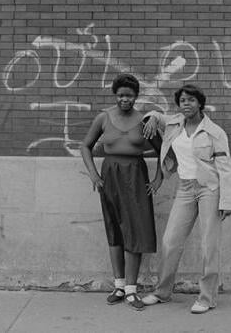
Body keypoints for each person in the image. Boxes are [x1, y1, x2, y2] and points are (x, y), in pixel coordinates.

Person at [139, 84, 231, 314]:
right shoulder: (175, 123)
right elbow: (156, 115)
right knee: (170, 240)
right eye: (183, 100)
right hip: (184, 188)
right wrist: (151, 117)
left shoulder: (214, 132)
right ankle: (162, 292)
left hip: (208, 189)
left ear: (200, 103)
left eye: (191, 100)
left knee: (208, 245)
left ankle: (207, 297)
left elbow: (225, 167)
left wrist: (227, 201)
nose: (186, 104)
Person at [80, 73, 161, 311]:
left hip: (135, 176)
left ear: (136, 96)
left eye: (130, 95)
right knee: (114, 229)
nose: (125, 99)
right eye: (121, 95)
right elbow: (85, 146)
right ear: (115, 95)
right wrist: (94, 175)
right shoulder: (104, 118)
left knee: (135, 231)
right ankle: (118, 285)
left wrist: (158, 179)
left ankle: (131, 290)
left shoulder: (145, 120)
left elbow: (164, 149)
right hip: (110, 176)